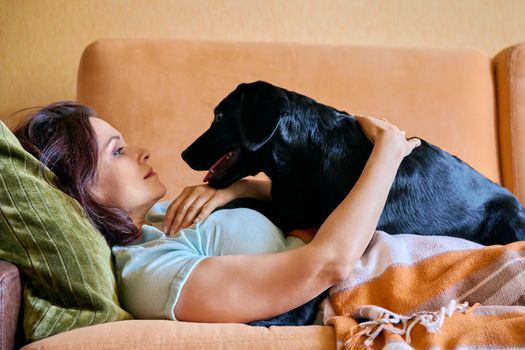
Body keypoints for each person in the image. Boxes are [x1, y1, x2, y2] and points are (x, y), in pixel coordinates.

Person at [14, 101, 420, 323]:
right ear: (81, 188)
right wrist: (388, 150)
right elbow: (325, 266)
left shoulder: (161, 217)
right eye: (117, 151)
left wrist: (242, 187)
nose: (143, 152)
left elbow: (304, 206)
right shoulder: (150, 275)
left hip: (394, 243)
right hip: (381, 278)